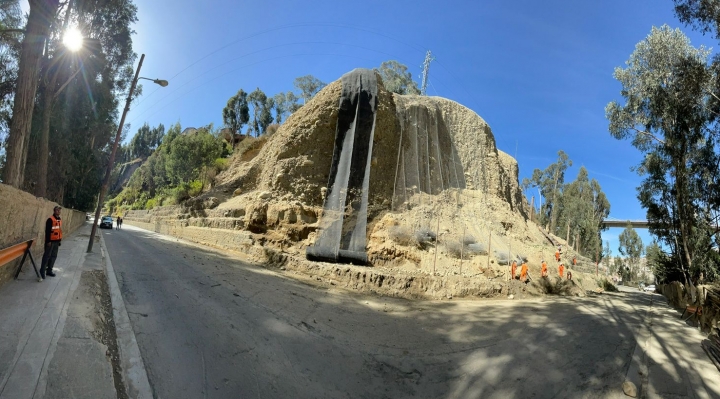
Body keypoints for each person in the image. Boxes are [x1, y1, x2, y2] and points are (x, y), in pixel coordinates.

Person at [39, 206, 63, 282]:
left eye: (59, 210)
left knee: (53, 256)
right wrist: (48, 241)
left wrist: (59, 240)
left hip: (56, 241)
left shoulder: (59, 219)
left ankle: (49, 270)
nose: (58, 211)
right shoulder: (50, 219)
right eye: (57, 210)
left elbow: (59, 231)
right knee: (47, 256)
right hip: (50, 242)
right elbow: (48, 231)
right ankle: (42, 272)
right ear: (54, 211)